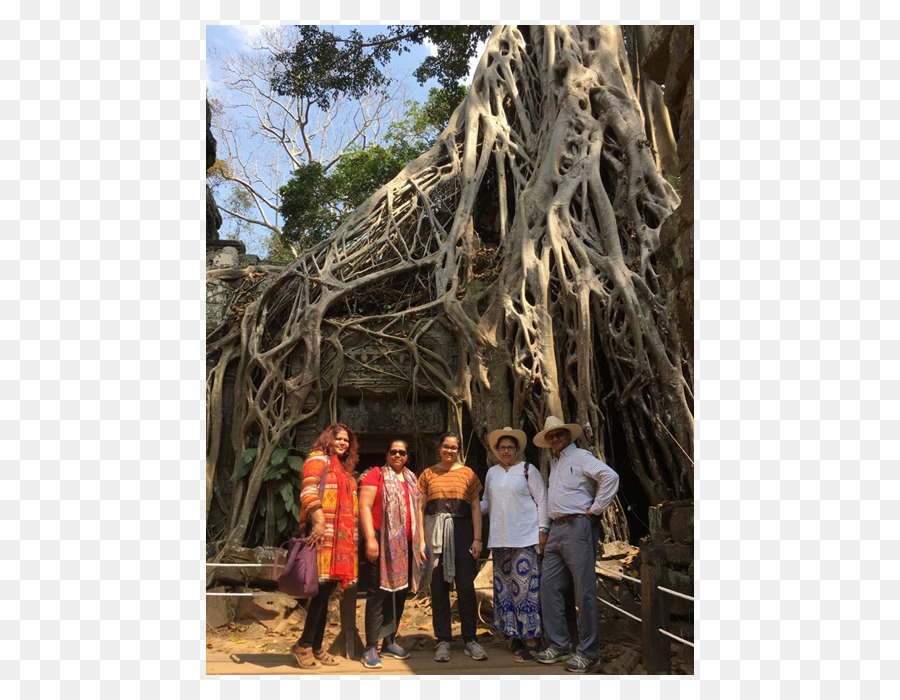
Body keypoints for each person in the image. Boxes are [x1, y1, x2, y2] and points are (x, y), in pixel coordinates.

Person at [532, 415, 619, 673]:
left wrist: (595, 509)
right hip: (557, 529)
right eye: (550, 436)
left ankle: (588, 652)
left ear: (568, 435)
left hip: (578, 526)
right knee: (548, 588)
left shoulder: (580, 457)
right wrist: (545, 528)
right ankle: (560, 645)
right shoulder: (555, 463)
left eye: (558, 434)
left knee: (584, 591)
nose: (555, 438)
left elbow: (610, 476)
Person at [290, 423, 360, 670]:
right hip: (320, 535)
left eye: (347, 441)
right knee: (319, 592)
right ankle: (303, 645)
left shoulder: (341, 467)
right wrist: (319, 522)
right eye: (339, 439)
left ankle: (316, 646)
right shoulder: (317, 459)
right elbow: (308, 492)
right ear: (328, 438)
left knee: (326, 592)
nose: (343, 443)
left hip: (338, 541)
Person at [479, 426, 549, 662]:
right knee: (506, 592)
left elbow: (542, 499)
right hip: (499, 541)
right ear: (496, 450)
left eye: (510, 447)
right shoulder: (491, 473)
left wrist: (543, 530)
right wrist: (465, 510)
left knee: (526, 592)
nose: (506, 450)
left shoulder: (528, 470)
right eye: (502, 447)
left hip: (524, 539)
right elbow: (486, 502)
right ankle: (517, 636)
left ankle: (532, 642)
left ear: (517, 449)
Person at [417, 432, 487, 663]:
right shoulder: (428, 474)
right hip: (435, 532)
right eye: (446, 446)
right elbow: (421, 508)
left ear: (459, 450)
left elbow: (476, 508)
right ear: (439, 448)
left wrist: (477, 539)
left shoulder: (468, 474)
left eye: (454, 447)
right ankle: (443, 640)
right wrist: (422, 541)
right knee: (438, 587)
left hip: (463, 531)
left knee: (466, 586)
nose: (449, 450)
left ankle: (470, 640)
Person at [357, 440, 423, 669]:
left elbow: (419, 511)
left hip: (405, 546)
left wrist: (421, 541)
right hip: (381, 541)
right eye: (393, 451)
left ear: (407, 456)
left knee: (399, 594)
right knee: (378, 592)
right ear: (386, 454)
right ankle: (370, 646)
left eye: (402, 452)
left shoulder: (413, 479)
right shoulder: (376, 474)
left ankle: (390, 641)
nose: (397, 455)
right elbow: (364, 506)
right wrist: (371, 539)